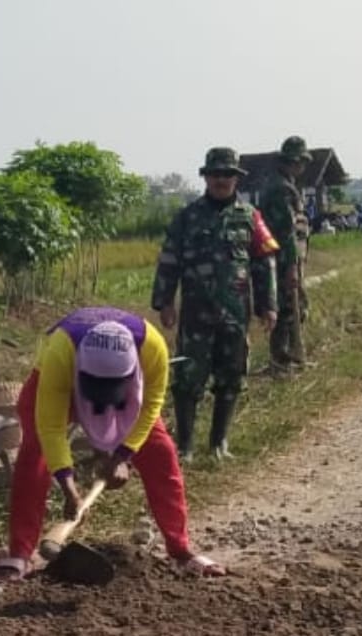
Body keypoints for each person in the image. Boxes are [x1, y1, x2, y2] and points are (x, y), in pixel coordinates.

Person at [0, 308, 226, 579]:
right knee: (33, 452)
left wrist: (122, 455)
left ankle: (181, 550)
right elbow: (51, 428)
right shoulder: (60, 353)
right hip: (59, 380)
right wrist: (69, 488)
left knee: (162, 454)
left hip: (127, 391)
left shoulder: (153, 348)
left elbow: (150, 407)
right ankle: (20, 552)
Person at [151, 147, 279, 461]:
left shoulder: (251, 217)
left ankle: (219, 442)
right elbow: (169, 261)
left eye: (228, 174)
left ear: (237, 179)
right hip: (196, 315)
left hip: (235, 315)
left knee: (231, 376)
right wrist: (164, 302)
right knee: (188, 379)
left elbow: (265, 263)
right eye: (216, 174)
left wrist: (269, 305)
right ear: (206, 177)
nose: (222, 180)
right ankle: (185, 447)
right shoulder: (187, 217)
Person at [261, 136, 312, 371]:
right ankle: (283, 358)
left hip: (288, 257)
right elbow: (287, 232)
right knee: (288, 308)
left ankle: (289, 356)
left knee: (292, 306)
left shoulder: (283, 184)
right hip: (283, 259)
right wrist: (291, 265)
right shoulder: (281, 188)